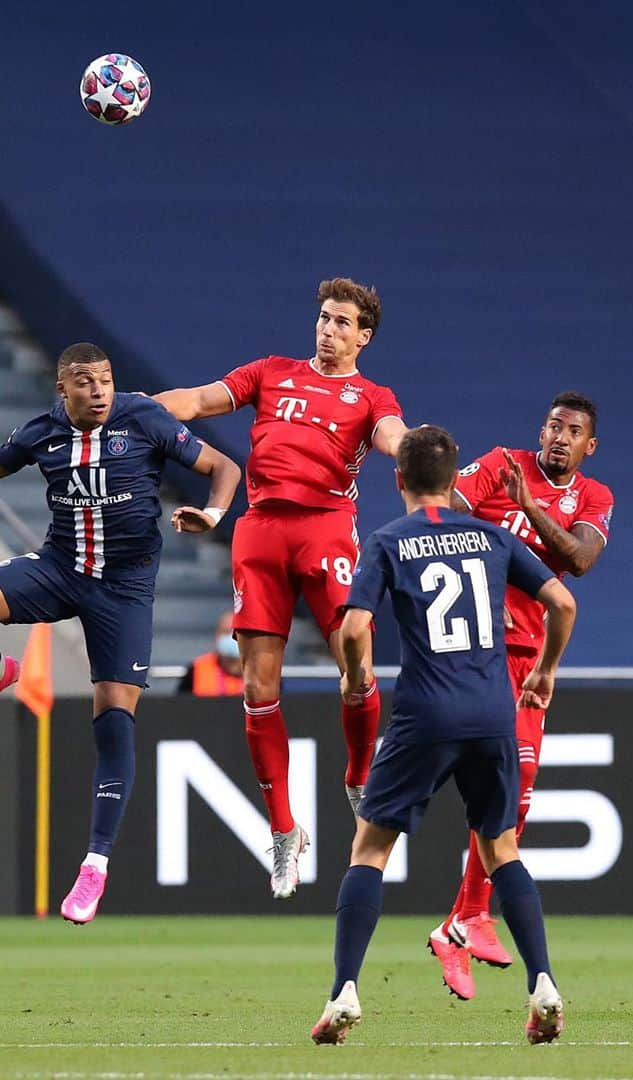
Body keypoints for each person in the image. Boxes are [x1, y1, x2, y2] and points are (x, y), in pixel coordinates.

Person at [0, 342, 240, 924]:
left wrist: (213, 513)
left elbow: (224, 467)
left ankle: (95, 866)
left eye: (105, 379)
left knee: (113, 723)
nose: (100, 390)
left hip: (124, 590)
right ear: (64, 389)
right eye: (86, 382)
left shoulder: (144, 418)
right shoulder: (41, 433)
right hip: (59, 569)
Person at [309, 426, 575, 1047]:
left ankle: (344, 991)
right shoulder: (492, 536)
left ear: (397, 478)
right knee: (501, 849)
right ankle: (543, 985)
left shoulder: (387, 541)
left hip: (425, 713)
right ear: (457, 482)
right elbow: (562, 602)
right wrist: (544, 670)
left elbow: (353, 628)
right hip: (491, 712)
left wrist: (356, 678)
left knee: (369, 850)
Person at [155, 277, 408, 899]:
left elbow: (393, 437)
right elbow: (199, 400)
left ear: (363, 337)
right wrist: (132, 409)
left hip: (326, 533)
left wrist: (415, 449)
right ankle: (284, 832)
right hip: (262, 531)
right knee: (258, 685)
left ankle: (357, 776)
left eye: (343, 322)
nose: (329, 329)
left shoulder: (371, 395)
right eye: (324, 318)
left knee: (358, 664)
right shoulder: (271, 373)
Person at [427, 391, 614, 1000]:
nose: (560, 436)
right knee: (489, 786)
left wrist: (530, 509)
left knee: (517, 796)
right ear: (541, 430)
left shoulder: (593, 497)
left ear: (590, 445)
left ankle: (462, 918)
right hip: (475, 650)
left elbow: (580, 560)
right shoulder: (503, 462)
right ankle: (465, 918)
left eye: (574, 430)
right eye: (554, 425)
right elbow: (446, 505)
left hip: (531, 661)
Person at [177, 611, 244, 696]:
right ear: (217, 636)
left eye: (237, 633)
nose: (232, 638)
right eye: (226, 632)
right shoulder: (196, 670)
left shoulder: (261, 671)